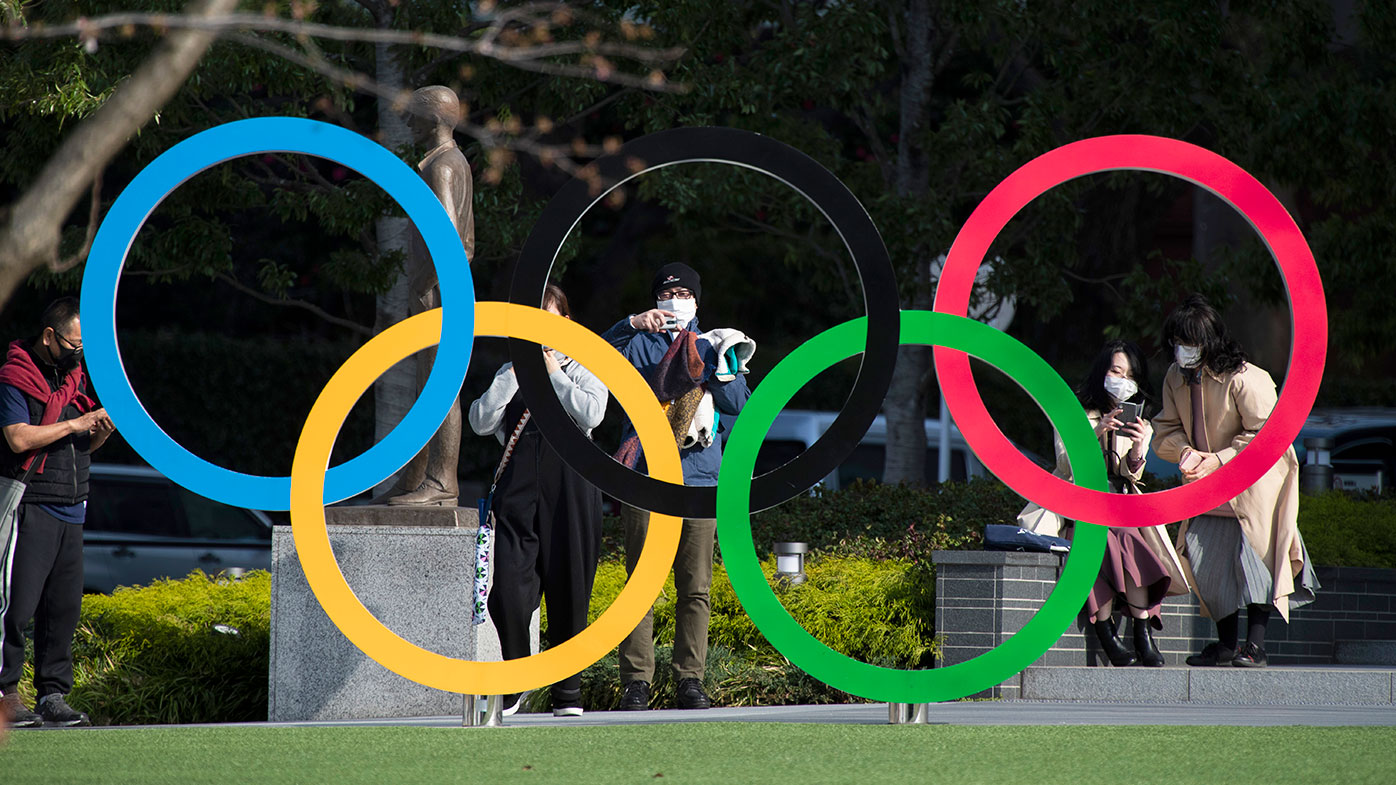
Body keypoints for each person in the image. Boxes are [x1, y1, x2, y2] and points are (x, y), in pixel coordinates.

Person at [602, 262, 752, 711]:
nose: (677, 298)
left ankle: (690, 678)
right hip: (647, 474)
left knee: (696, 586)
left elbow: (740, 404)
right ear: (656, 300)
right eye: (669, 292)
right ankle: (636, 681)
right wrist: (630, 324)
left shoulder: (714, 342)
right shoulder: (637, 344)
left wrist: (714, 365)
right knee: (641, 582)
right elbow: (588, 358)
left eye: (686, 292)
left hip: (700, 475)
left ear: (697, 302)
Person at [1152, 294, 1319, 667]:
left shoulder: (1246, 378)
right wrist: (1184, 453)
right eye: (1178, 341)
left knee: (1256, 561)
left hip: (1256, 484)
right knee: (1204, 557)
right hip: (1207, 486)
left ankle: (1254, 646)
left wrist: (1218, 459)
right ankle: (1226, 644)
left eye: (1191, 342)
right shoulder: (1174, 378)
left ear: (1210, 341)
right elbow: (1165, 430)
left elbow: (1267, 435)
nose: (1183, 350)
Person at [468, 285, 607, 717]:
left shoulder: (584, 366)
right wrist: (515, 375)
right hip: (517, 490)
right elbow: (479, 421)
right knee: (506, 590)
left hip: (572, 488)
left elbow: (592, 413)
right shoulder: (510, 371)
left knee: (570, 588)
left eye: (549, 319)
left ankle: (568, 694)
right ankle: (516, 682)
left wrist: (554, 372)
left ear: (566, 323)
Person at [1026, 341, 1188, 666]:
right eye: (1116, 371)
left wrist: (1141, 448)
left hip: (1120, 505)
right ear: (1102, 371)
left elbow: (1133, 474)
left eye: (1130, 375)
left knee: (1126, 536)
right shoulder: (1074, 412)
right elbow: (1066, 464)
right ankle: (1107, 633)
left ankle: (1142, 632)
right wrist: (1097, 431)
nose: (1122, 380)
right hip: (1078, 507)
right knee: (1097, 542)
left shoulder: (1136, 418)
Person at [0, 297, 115, 728]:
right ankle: (6, 693)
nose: (79, 353)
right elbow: (17, 438)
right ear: (50, 336)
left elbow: (83, 444)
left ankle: (53, 694)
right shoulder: (15, 376)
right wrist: (75, 424)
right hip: (30, 504)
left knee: (63, 608)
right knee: (16, 605)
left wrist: (98, 432)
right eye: (74, 343)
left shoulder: (76, 378)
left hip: (73, 505)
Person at [381, 85, 475, 507]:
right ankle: (416, 477)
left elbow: (449, 239)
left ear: (433, 120)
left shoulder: (442, 166)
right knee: (429, 386)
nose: (407, 124)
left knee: (440, 388)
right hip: (442, 289)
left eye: (413, 116)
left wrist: (421, 288)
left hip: (438, 293)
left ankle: (440, 483)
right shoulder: (451, 161)